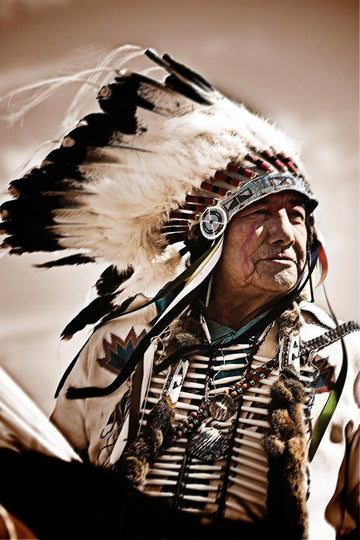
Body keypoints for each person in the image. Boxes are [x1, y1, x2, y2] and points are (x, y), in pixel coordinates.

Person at [0, 46, 359, 540]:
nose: (284, 233)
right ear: (212, 233)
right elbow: (51, 484)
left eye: (297, 216)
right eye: (260, 215)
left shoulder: (347, 355)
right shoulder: (120, 344)